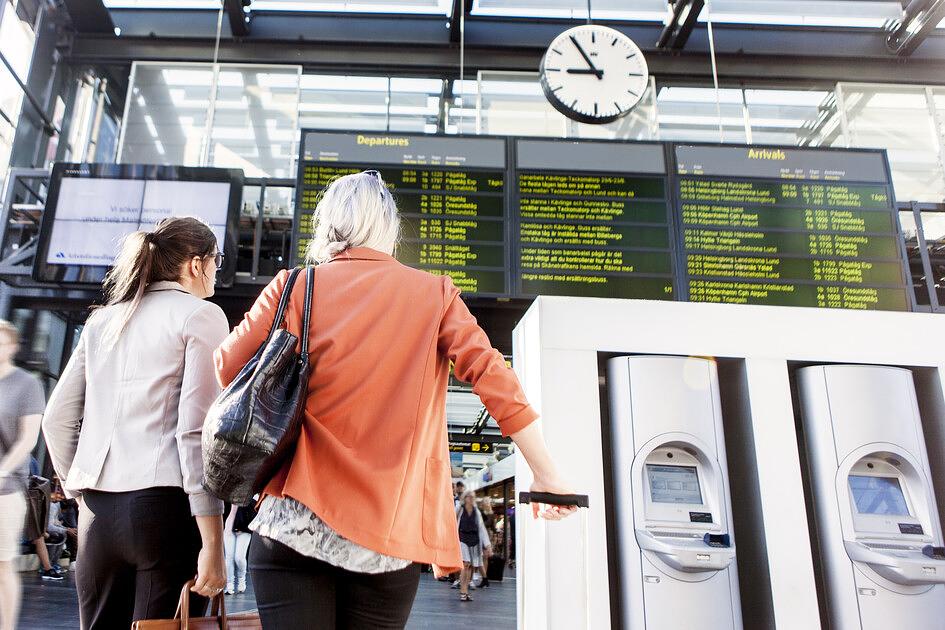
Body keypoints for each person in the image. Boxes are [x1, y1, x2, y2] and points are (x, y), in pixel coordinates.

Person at [215, 170, 577, 630]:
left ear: (327, 223)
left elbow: (227, 366)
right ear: (388, 227)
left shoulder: (294, 286)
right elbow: (493, 378)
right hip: (386, 539)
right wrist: (547, 473)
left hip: (292, 527)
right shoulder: (435, 295)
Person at [42, 217, 230, 629]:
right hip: (165, 510)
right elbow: (194, 432)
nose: (219, 269)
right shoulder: (201, 316)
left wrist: (79, 489)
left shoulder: (103, 320)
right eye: (217, 260)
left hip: (98, 513)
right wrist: (214, 541)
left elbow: (56, 419)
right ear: (196, 265)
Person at [0, 320, 45, 630]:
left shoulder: (26, 384)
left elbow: (28, 438)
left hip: (5, 490)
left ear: (13, 347)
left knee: (3, 567)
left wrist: (3, 470)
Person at [455, 492, 491, 601]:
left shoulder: (476, 511)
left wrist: (487, 544)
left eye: (472, 497)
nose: (471, 499)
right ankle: (463, 590)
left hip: (474, 540)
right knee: (465, 564)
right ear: (464, 498)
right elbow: (452, 521)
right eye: (469, 497)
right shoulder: (459, 508)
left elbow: (481, 527)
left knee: (470, 565)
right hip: (462, 538)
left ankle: (466, 591)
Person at [224, 504, 255, 595]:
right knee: (229, 557)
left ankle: (241, 579)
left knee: (239, 557)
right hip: (229, 527)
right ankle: (229, 585)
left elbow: (254, 513)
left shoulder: (252, 496)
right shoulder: (231, 494)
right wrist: (228, 527)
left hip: (245, 530)